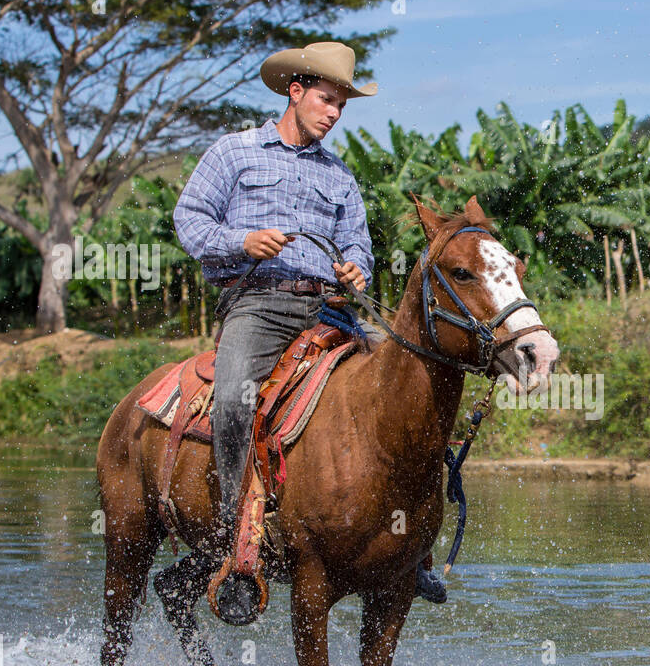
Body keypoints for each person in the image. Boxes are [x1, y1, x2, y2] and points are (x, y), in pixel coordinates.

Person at [165, 41, 444, 624]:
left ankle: (411, 549)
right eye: (327, 99)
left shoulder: (340, 178)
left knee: (406, 394)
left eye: (342, 104)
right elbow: (189, 221)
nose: (334, 112)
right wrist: (241, 243)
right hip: (259, 306)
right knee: (237, 396)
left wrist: (355, 269)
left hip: (333, 312)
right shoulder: (234, 154)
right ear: (295, 92)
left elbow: (359, 248)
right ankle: (231, 537)